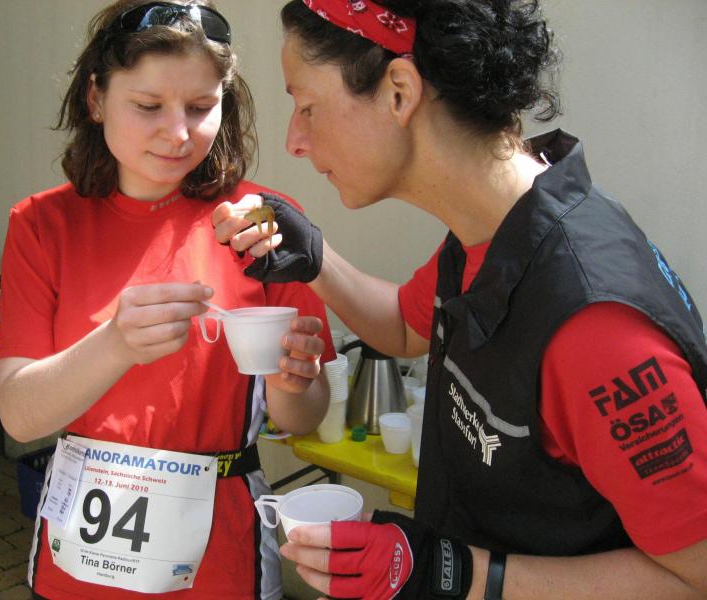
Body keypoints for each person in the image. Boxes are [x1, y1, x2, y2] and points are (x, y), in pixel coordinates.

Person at [211, 0, 707, 598]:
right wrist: (314, 256)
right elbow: (403, 326)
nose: (295, 140)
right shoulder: (494, 234)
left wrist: (456, 573)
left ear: (399, 92)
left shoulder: (593, 326)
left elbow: (697, 575)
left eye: (307, 106)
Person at [0, 2, 335, 598]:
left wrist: (293, 380)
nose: (178, 133)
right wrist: (114, 344)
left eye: (201, 107)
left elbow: (303, 416)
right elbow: (21, 416)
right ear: (96, 99)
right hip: (79, 550)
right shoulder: (42, 224)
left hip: (221, 547)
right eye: (148, 106)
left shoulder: (262, 223)